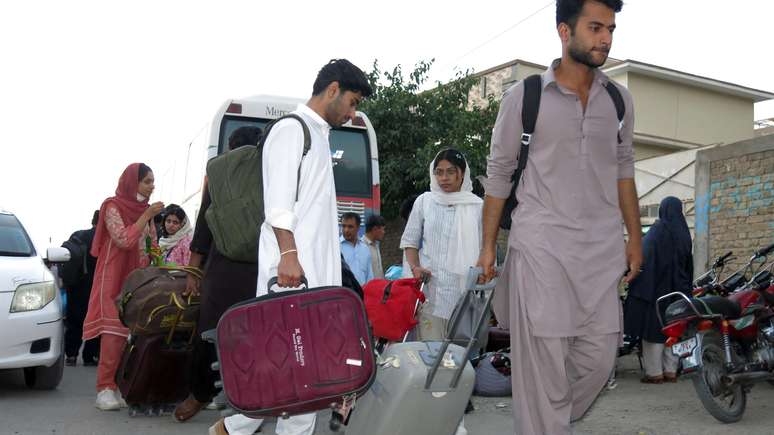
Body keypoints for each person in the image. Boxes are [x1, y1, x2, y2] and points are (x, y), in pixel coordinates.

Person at [476, 1, 643, 433]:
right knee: (544, 360)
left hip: (601, 252)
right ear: (564, 31)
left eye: (610, 29)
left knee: (599, 357)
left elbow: (624, 171)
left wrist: (635, 238)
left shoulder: (618, 101)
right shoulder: (525, 97)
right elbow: (499, 173)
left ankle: (546, 422)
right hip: (541, 247)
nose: (605, 38)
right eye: (595, 27)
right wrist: (488, 248)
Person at [209, 58, 372, 435]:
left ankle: (231, 429)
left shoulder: (319, 136)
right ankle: (230, 429)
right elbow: (279, 204)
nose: (352, 113)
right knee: (287, 378)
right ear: (332, 90)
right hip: (292, 277)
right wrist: (288, 256)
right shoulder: (292, 130)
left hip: (313, 282)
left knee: (303, 383)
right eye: (352, 102)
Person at [173, 126, 263, 423]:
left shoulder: (219, 173)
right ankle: (249, 400)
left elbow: (203, 224)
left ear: (230, 147)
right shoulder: (268, 171)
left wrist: (193, 271)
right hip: (259, 267)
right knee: (253, 335)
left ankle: (199, 394)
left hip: (223, 266)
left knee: (208, 331)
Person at [400, 148, 483, 435]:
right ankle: (433, 423)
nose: (444, 178)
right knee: (433, 362)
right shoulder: (424, 201)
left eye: (450, 172)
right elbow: (410, 241)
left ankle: (455, 423)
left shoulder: (477, 206)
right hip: (431, 297)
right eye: (439, 172)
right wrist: (415, 267)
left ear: (462, 174)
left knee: (457, 365)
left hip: (464, 299)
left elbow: (485, 250)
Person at [82, 163, 163, 411]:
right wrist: (146, 217)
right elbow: (124, 239)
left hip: (137, 280)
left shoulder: (145, 210)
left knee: (132, 336)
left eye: (153, 181)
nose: (152, 186)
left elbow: (152, 245)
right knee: (113, 334)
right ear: (132, 182)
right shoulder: (112, 206)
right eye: (147, 181)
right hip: (113, 277)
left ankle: (122, 386)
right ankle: (104, 389)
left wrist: (158, 262)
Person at [624, 196, 692, 383]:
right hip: (678, 293)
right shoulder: (684, 233)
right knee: (674, 330)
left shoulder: (657, 231)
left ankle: (654, 373)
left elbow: (643, 256)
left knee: (653, 331)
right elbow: (688, 265)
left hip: (656, 291)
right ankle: (671, 371)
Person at [63, 210, 101, 366]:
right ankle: (89, 356)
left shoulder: (78, 235)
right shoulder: (104, 239)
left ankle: (71, 355)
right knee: (95, 321)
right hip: (96, 286)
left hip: (75, 285)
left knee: (74, 321)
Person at [340, 212, 373, 285]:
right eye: (344, 226)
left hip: (363, 291)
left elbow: (369, 276)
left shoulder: (365, 249)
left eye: (350, 227)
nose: (346, 230)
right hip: (344, 291)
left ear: (358, 228)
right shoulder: (337, 248)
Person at [362, 214, 386, 279]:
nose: (384, 232)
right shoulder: (362, 246)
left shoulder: (376, 245)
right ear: (375, 229)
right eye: (383, 229)